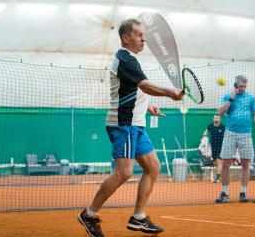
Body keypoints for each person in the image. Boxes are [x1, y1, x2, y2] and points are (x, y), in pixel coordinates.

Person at [77, 18, 184, 237]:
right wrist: (170, 92)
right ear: (126, 38)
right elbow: (143, 85)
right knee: (123, 173)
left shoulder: (131, 59)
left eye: (144, 35)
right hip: (123, 124)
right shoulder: (125, 58)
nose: (144, 39)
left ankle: (139, 218)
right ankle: (90, 213)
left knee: (153, 167)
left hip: (136, 124)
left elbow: (133, 91)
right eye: (138, 35)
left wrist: (148, 106)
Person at [215, 75, 255, 203]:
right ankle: (224, 193)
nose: (242, 89)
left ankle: (243, 193)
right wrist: (231, 98)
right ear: (235, 85)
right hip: (230, 133)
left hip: (246, 134)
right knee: (225, 162)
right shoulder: (227, 96)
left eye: (244, 86)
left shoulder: (251, 98)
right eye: (240, 86)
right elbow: (220, 112)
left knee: (246, 163)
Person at [204, 114, 226, 183]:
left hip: (221, 146)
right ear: (213, 119)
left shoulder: (222, 127)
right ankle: (220, 174)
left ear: (220, 119)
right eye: (215, 118)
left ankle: (217, 177)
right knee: (215, 162)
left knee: (218, 160)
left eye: (217, 118)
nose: (216, 119)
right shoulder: (210, 126)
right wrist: (204, 137)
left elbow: (227, 135)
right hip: (213, 147)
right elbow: (206, 132)